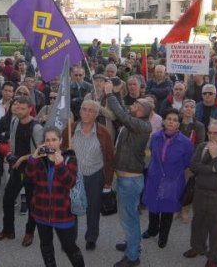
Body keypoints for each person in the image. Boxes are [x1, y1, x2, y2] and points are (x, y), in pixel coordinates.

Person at [105, 81, 152, 267]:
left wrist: (109, 95)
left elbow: (122, 116)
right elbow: (124, 111)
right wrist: (116, 93)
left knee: (130, 219)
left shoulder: (142, 126)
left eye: (135, 105)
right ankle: (132, 244)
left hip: (130, 182)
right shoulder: (136, 122)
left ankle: (132, 257)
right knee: (129, 218)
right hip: (125, 179)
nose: (131, 106)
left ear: (142, 111)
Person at [26, 126, 85, 266]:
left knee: (70, 247)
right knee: (46, 247)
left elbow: (70, 182)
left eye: (54, 139)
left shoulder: (69, 159)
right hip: (41, 212)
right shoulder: (40, 160)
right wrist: (33, 157)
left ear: (60, 141)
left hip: (63, 213)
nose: (51, 143)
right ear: (43, 142)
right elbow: (29, 178)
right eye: (47, 140)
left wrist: (59, 164)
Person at [183, 119, 217, 267]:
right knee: (198, 223)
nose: (212, 136)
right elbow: (194, 166)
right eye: (210, 132)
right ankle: (197, 247)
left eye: (216, 133)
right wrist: (215, 168)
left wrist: (215, 157)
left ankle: (213, 257)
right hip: (200, 192)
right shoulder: (202, 146)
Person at [61, 100, 114, 251]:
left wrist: (108, 182)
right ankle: (70, 239)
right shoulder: (70, 129)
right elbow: (62, 150)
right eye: (84, 109)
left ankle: (91, 238)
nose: (86, 113)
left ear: (97, 114)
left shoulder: (103, 132)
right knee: (71, 207)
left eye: (91, 110)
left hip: (94, 175)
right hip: (73, 175)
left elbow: (109, 158)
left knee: (93, 208)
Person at [0, 96, 43, 247]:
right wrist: (10, 153)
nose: (18, 110)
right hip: (17, 169)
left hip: (32, 170)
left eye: (22, 108)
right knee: (7, 200)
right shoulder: (14, 121)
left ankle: (29, 233)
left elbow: (40, 152)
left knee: (32, 204)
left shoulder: (36, 127)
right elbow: (12, 141)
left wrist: (22, 158)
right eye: (17, 107)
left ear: (29, 109)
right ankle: (8, 230)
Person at [141, 109, 194, 248]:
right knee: (152, 206)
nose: (171, 122)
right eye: (169, 119)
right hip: (155, 177)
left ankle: (163, 236)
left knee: (167, 210)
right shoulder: (156, 137)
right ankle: (152, 230)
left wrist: (173, 171)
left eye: (175, 120)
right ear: (164, 121)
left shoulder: (186, 142)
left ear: (178, 124)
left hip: (173, 180)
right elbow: (153, 153)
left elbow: (188, 161)